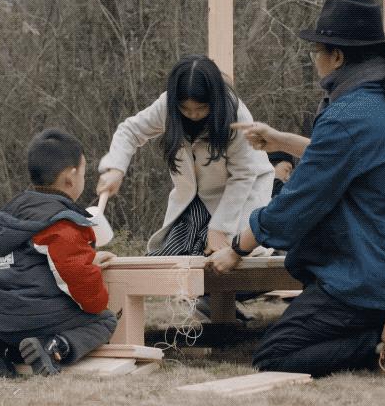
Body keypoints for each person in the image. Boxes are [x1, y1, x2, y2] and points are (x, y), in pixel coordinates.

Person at [208, 0, 385, 380]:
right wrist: (284, 141)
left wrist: (238, 247)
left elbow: (297, 205)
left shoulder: (348, 116)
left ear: (336, 57)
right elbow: (361, 163)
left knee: (276, 354)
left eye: (315, 52)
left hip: (372, 280)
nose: (314, 60)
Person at [0, 128, 118, 377]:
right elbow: (76, 276)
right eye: (84, 172)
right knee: (104, 320)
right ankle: (55, 348)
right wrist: (97, 300)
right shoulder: (61, 222)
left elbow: (39, 261)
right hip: (39, 319)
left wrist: (88, 257)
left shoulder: (14, 213)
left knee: (26, 324)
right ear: (71, 177)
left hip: (4, 320)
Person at [96, 55, 274, 257]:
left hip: (241, 193)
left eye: (201, 108)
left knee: (228, 257)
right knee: (175, 256)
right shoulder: (166, 106)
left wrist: (220, 228)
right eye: (185, 109)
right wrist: (116, 169)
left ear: (213, 100)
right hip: (196, 197)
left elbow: (243, 175)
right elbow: (129, 131)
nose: (193, 115)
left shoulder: (235, 113)